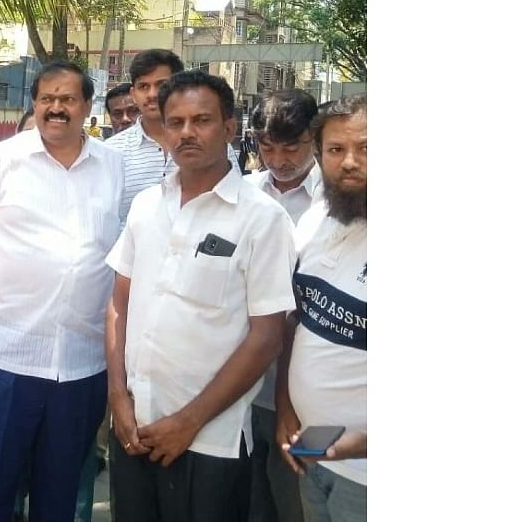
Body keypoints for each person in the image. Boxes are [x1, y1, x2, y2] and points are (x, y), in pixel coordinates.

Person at [103, 71, 296, 521]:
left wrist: (189, 421)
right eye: (176, 122)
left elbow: (267, 336)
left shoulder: (261, 219)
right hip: (135, 426)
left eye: (202, 120)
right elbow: (118, 304)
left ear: (230, 128)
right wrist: (118, 397)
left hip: (211, 439)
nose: (187, 132)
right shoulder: (147, 205)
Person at [0, 61, 124, 522]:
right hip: (7, 359)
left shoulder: (113, 166)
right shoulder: (0, 160)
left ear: (87, 106)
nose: (56, 108)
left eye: (68, 99)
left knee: (61, 494)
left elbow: (116, 247)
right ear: (34, 104)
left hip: (82, 365)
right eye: (47, 99)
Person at [275, 95, 367, 522]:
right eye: (336, 150)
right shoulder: (315, 222)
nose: (349, 161)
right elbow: (297, 325)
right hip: (312, 454)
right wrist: (286, 410)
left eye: (367, 148)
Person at [243, 88, 321, 522]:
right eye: (267, 147)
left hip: (312, 393)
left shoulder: (337, 200)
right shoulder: (245, 194)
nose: (278, 159)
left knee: (301, 497)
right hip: (248, 384)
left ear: (312, 136)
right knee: (252, 501)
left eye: (290, 146)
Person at [106, 50, 241, 226]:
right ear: (133, 93)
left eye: (161, 84)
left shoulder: (212, 146)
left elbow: (234, 202)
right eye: (143, 87)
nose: (152, 94)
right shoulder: (113, 151)